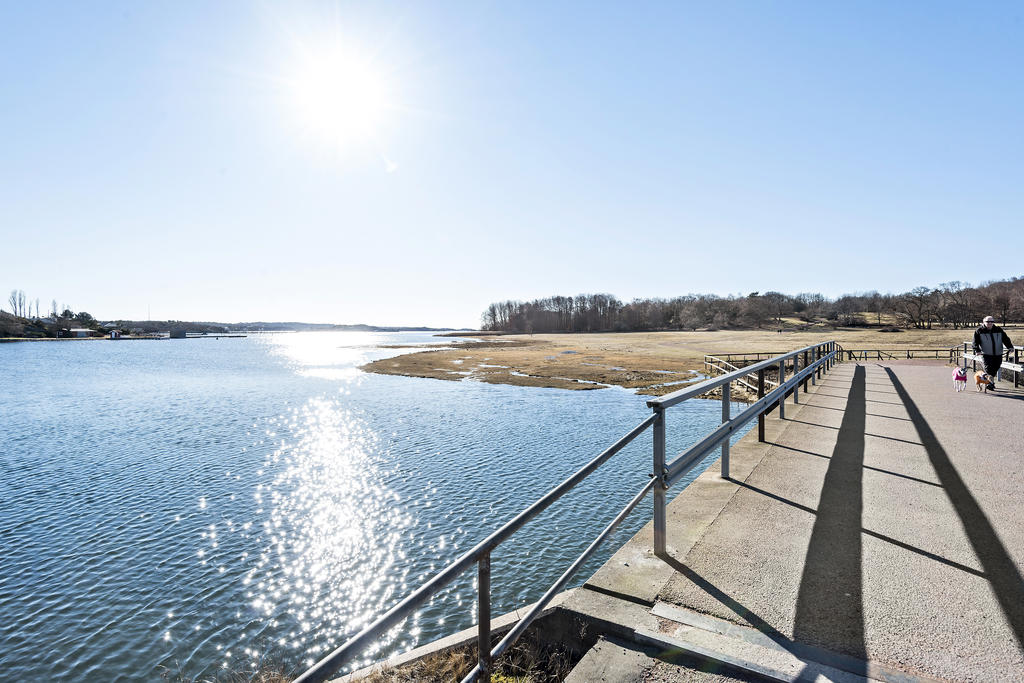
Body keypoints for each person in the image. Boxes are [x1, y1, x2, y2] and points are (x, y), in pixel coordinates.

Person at [972, 315, 1014, 387]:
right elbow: (975, 342)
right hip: (986, 354)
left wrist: (1010, 347)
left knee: (996, 367)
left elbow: (1005, 339)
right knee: (988, 369)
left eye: (991, 321)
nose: (990, 323)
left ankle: (988, 381)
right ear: (984, 322)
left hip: (998, 353)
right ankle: (990, 384)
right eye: (988, 321)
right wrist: (977, 350)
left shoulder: (998, 330)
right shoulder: (979, 331)